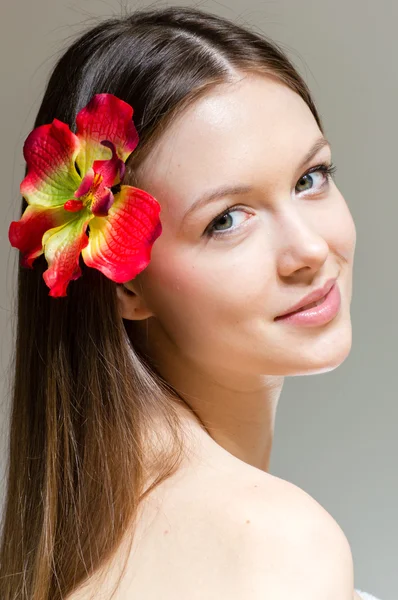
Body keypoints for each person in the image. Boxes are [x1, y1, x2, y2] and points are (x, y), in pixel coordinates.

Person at [0, 6, 382, 600]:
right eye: (227, 220)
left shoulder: (83, 555)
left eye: (312, 177)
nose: (309, 249)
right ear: (125, 284)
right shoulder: (275, 546)